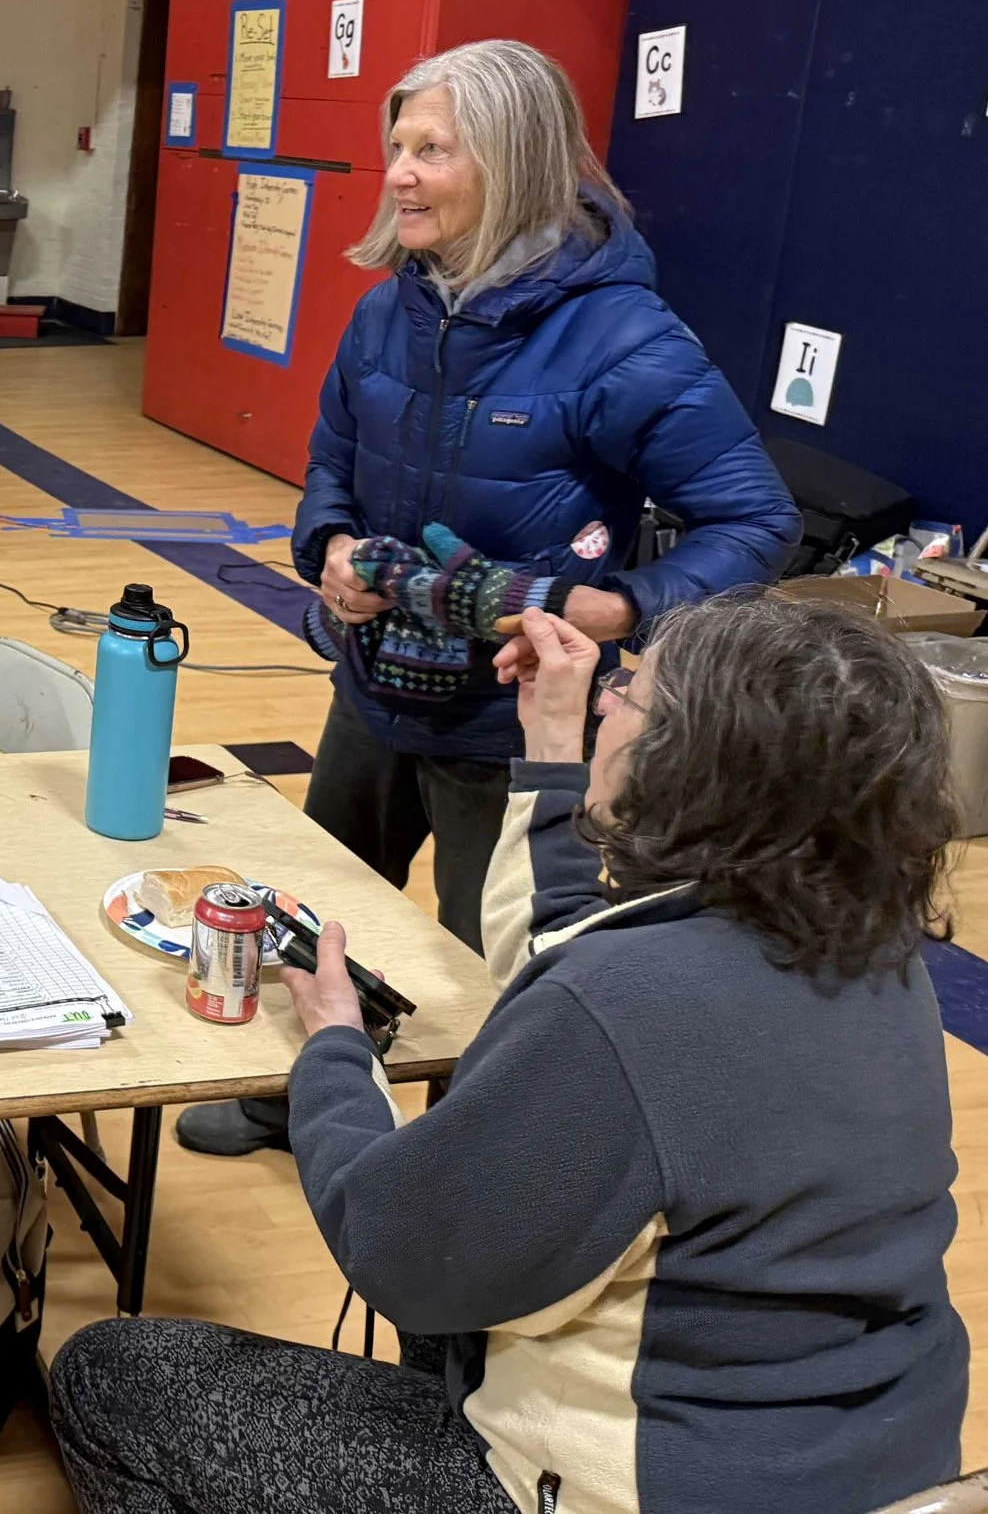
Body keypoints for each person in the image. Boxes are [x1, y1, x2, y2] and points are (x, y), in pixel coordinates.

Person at [54, 592, 967, 1514]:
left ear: (695, 767)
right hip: (866, 1460)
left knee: (112, 1373)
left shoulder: (624, 1005)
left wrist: (332, 1054)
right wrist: (551, 744)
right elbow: (575, 947)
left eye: (631, 693)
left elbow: (395, 1251)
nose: (608, 698)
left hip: (644, 1486)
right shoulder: (869, 951)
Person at [176, 37, 796, 1157]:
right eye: (394, 147)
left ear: (509, 162)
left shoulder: (626, 340)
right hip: (373, 692)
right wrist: (324, 550)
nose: (398, 174)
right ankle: (304, 1094)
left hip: (509, 728)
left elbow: (755, 524)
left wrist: (614, 611)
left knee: (489, 960)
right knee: (324, 915)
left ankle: (462, 1166)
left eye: (429, 150)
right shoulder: (390, 310)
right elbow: (330, 462)